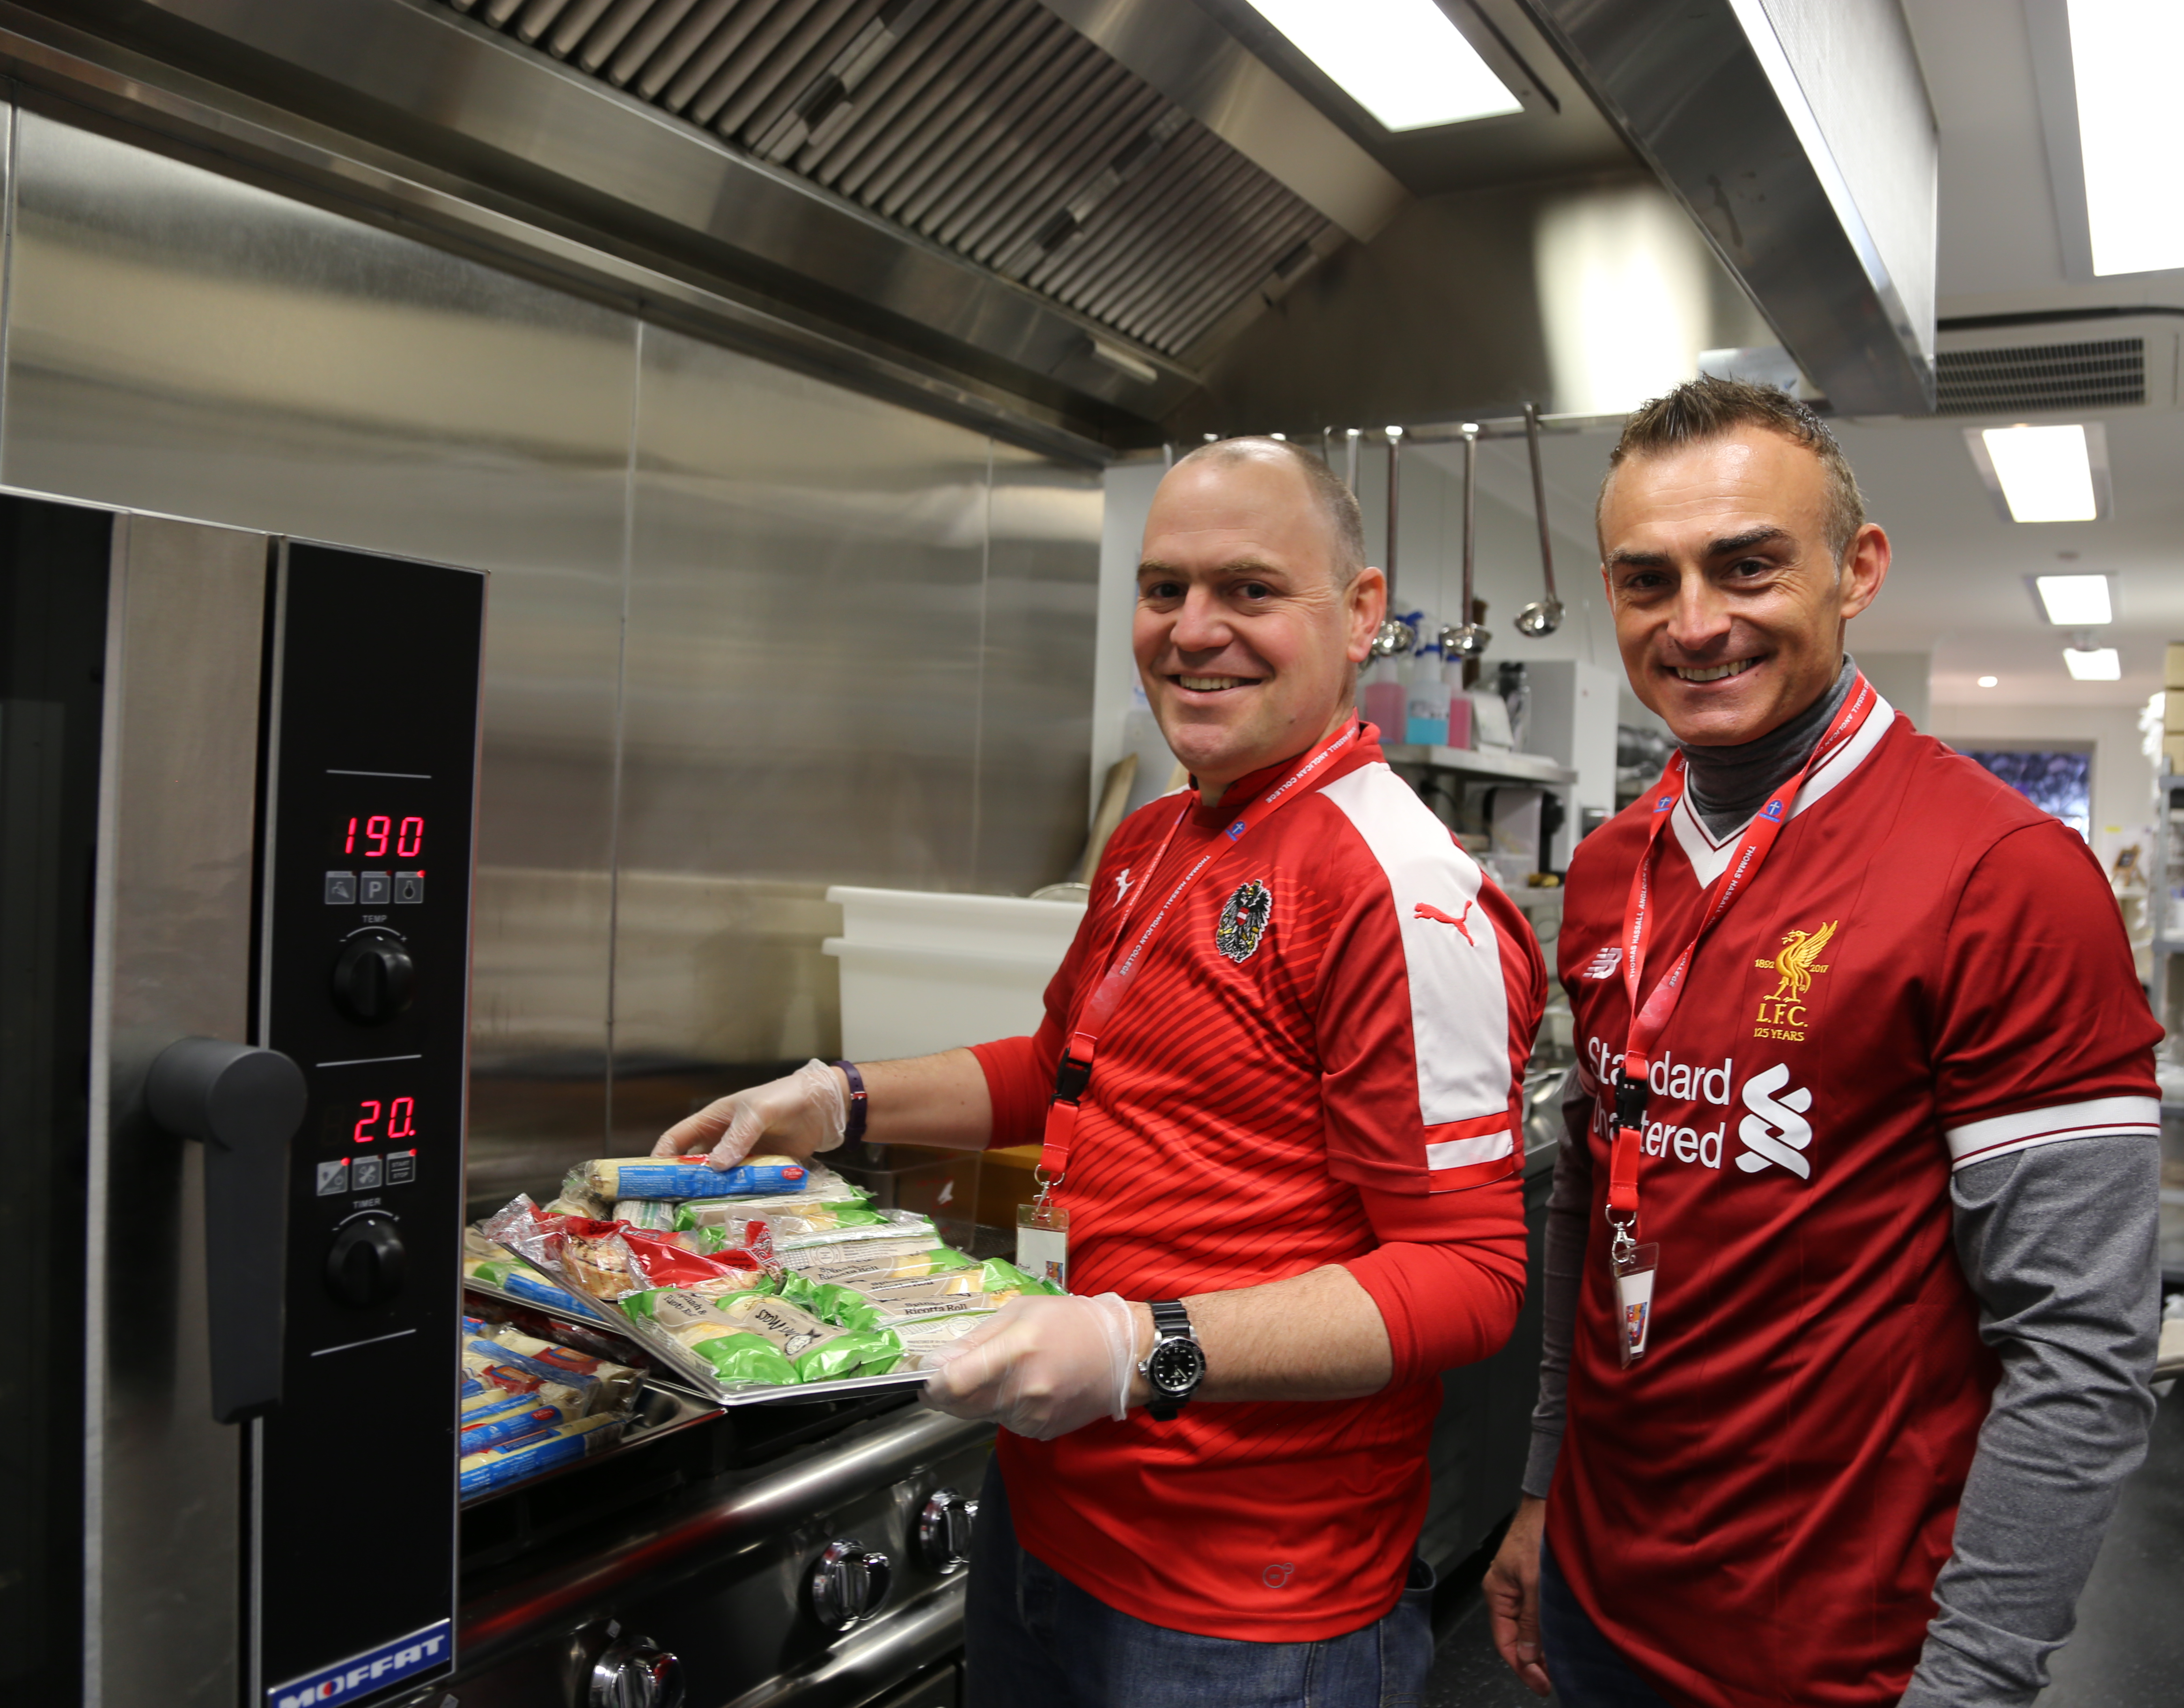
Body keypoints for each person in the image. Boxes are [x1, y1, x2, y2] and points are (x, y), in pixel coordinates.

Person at [657, 437, 1549, 1708]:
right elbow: (1060, 1067)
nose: (1194, 631)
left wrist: (1142, 1346)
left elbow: (1466, 1282)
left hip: (1247, 1603)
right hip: (1054, 1515)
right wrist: (836, 1099)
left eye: (1249, 591)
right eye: (1163, 588)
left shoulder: (1394, 886)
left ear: (1360, 617)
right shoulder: (1158, 836)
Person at [1481, 379, 2162, 1708]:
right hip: (1602, 1603)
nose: (1693, 623)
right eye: (1647, 579)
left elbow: (2082, 1350)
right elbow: (1593, 1203)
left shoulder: (2004, 875)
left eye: (1746, 567)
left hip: (1850, 1659)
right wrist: (1538, 1493)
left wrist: (1968, 1686)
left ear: (1857, 572)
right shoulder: (1618, 866)